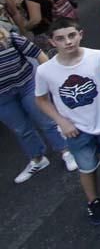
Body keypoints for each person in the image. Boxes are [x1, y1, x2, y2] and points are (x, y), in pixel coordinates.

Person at [34, 19, 100, 225]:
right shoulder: (45, 71)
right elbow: (41, 100)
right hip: (76, 129)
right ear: (52, 42)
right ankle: (93, 200)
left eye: (72, 35)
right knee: (86, 167)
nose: (68, 42)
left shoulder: (99, 57)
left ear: (81, 34)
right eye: (60, 38)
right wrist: (61, 122)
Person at [0, 26, 76, 184]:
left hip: (27, 83)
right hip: (2, 96)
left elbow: (38, 54)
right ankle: (37, 159)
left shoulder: (11, 39)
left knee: (45, 120)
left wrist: (50, 78)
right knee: (21, 129)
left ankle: (66, 151)